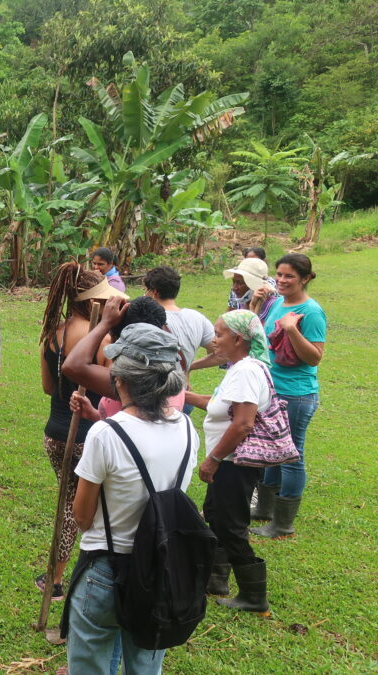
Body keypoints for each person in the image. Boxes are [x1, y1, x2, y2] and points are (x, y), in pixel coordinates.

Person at [65, 324, 196, 675]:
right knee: (145, 664)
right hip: (161, 568)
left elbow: (81, 516)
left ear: (119, 379)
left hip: (106, 570)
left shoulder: (106, 433)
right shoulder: (186, 426)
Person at [36, 263, 124, 599]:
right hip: (89, 435)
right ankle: (56, 579)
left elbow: (48, 387)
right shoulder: (101, 340)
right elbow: (111, 389)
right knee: (79, 506)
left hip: (54, 433)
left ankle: (61, 573)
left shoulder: (52, 333)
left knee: (71, 500)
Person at [184, 310, 273, 615]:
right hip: (230, 460)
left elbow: (243, 423)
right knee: (216, 513)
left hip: (235, 462)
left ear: (238, 339)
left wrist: (213, 458)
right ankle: (216, 579)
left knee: (231, 524)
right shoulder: (240, 367)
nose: (214, 341)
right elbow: (220, 404)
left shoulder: (247, 371)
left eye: (219, 334)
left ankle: (253, 595)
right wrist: (184, 395)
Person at [249, 253, 326, 539]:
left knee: (291, 455)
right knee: (272, 449)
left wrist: (293, 330)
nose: (281, 280)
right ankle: (264, 511)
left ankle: (283, 525)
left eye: (289, 276)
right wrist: (255, 305)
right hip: (273, 388)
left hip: (296, 394)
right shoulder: (279, 302)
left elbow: (315, 357)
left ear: (305, 278)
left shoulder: (312, 311)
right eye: (279, 274)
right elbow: (258, 335)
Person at [143, 266, 215, 375]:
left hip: (152, 388)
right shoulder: (197, 317)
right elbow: (223, 353)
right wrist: (189, 367)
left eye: (145, 290)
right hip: (180, 388)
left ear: (154, 293)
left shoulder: (146, 318)